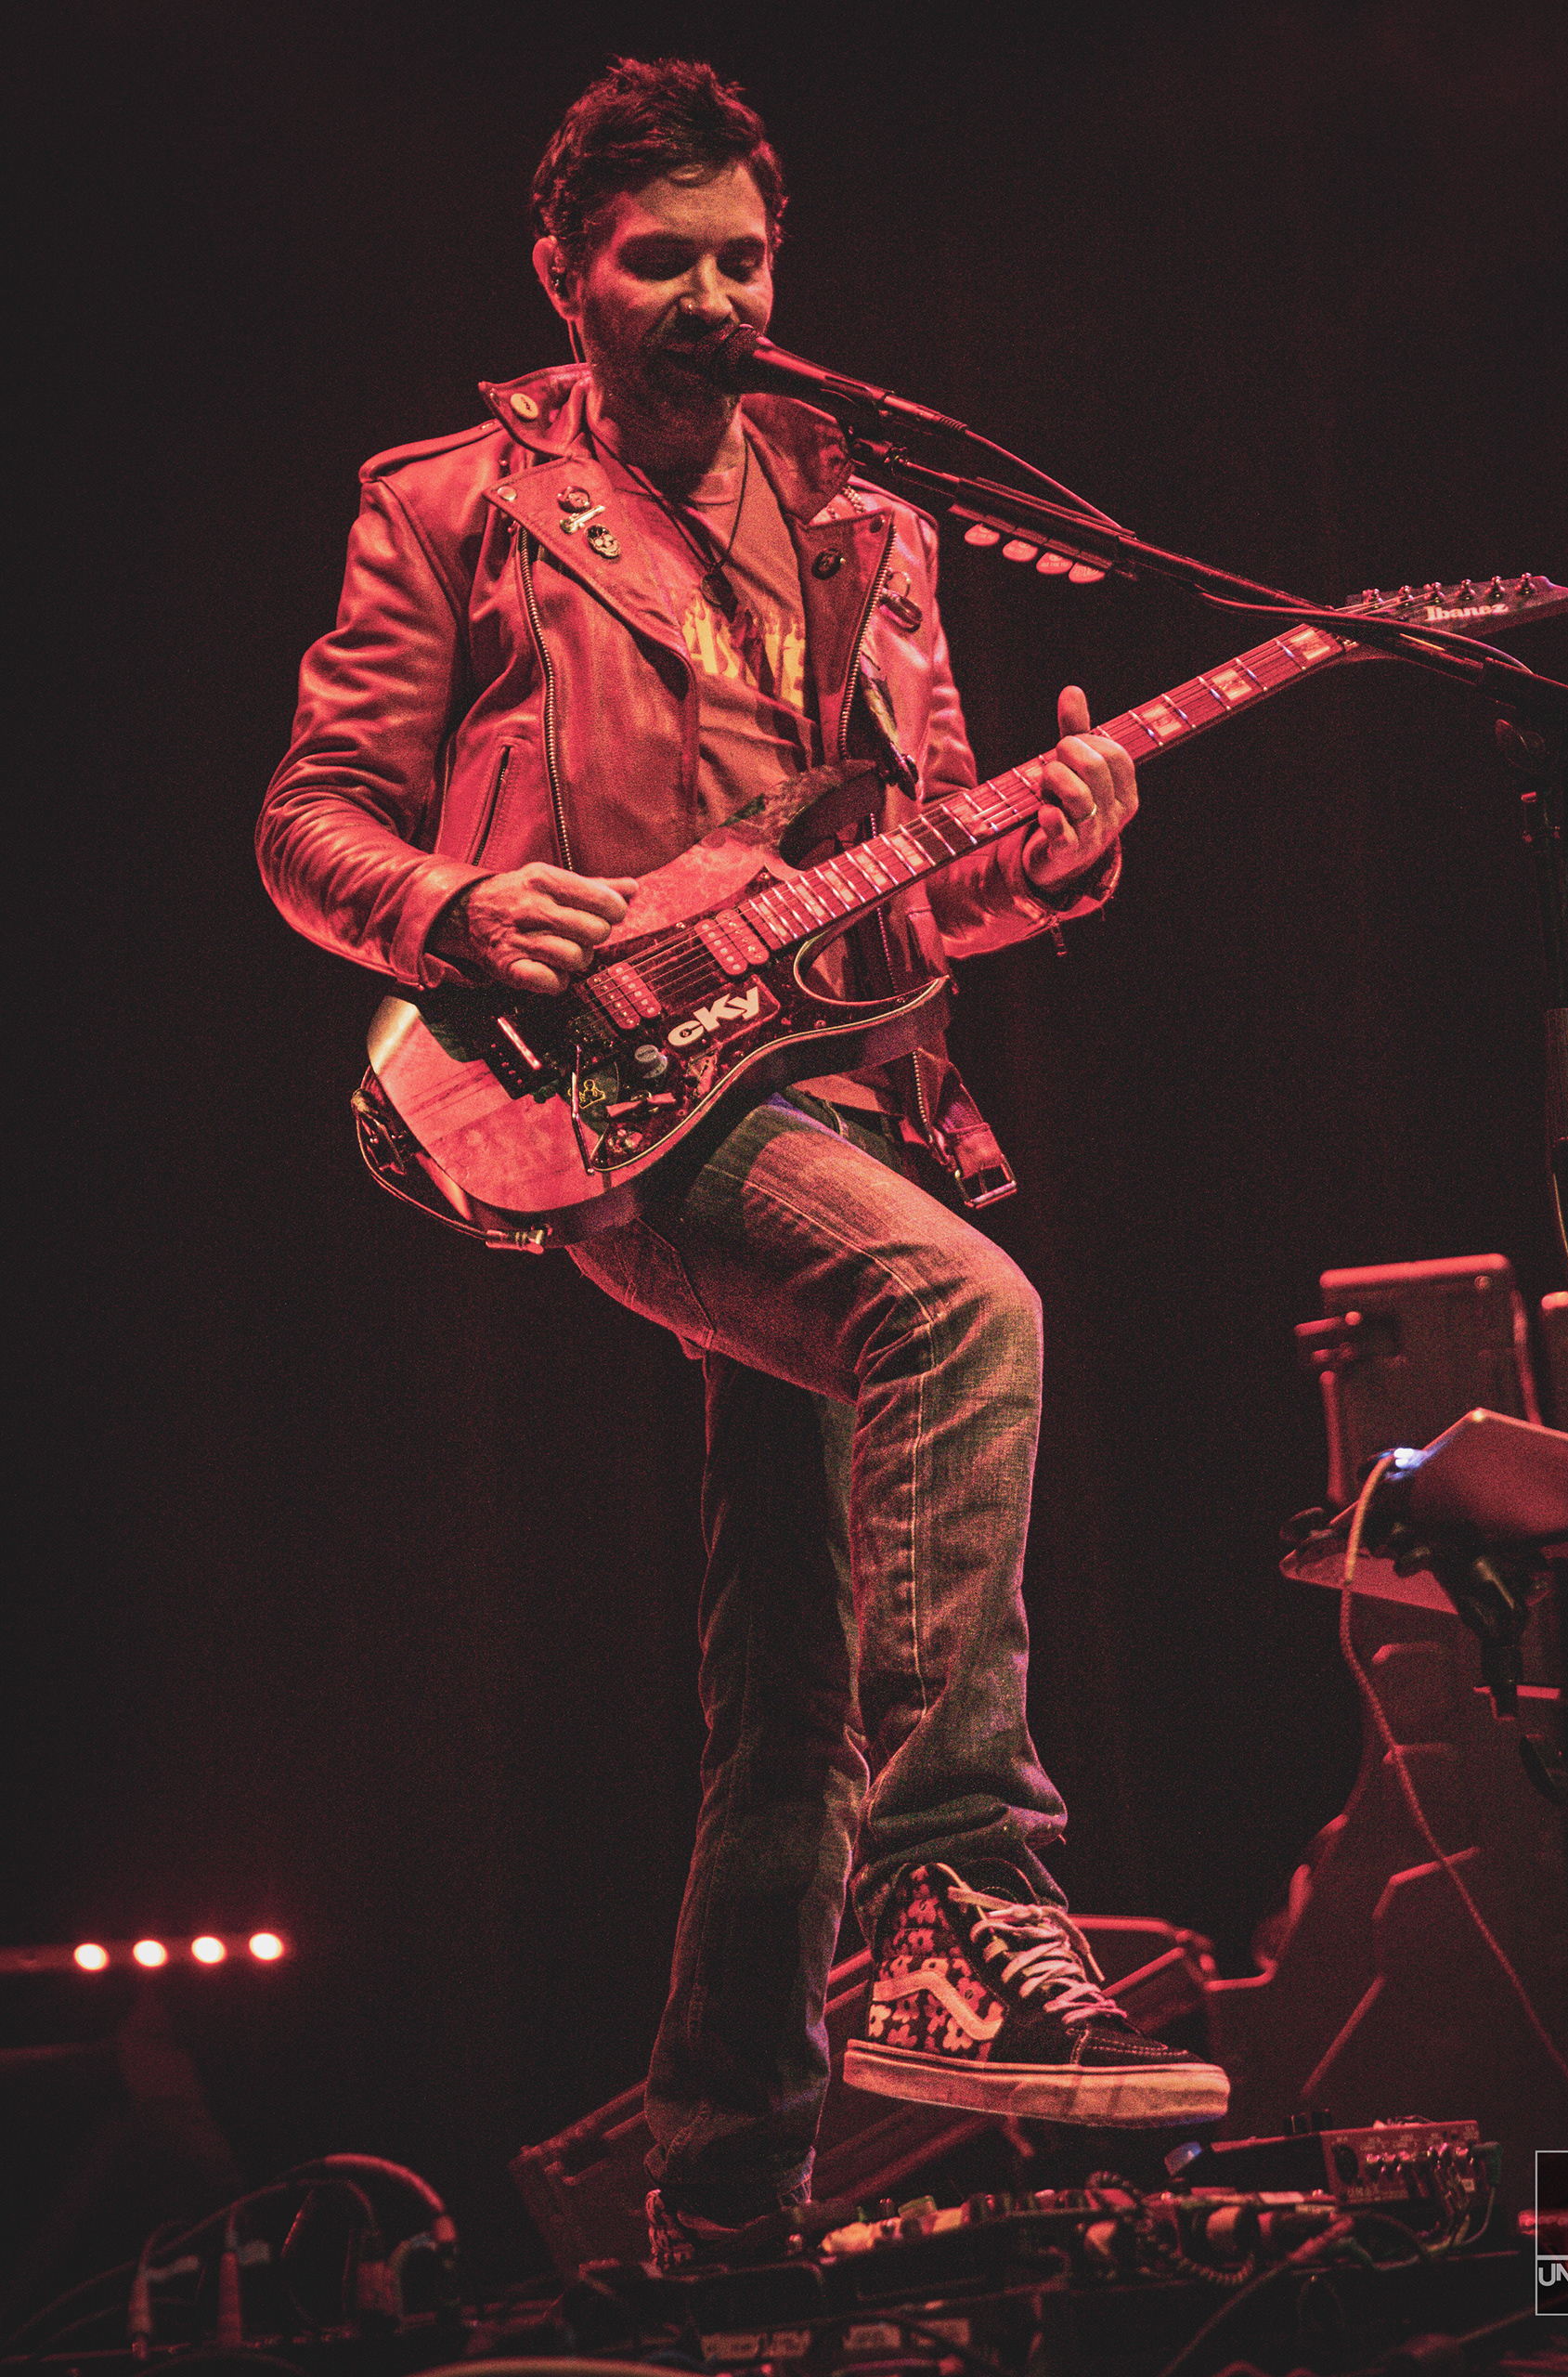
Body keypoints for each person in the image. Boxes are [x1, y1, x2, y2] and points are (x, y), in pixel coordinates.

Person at [258, 56, 1227, 2266]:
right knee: (961, 1311)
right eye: (661, 259)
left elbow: (923, 870)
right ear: (564, 272)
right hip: (602, 1089)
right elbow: (307, 817)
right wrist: (450, 906)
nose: (714, 298)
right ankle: (962, 1882)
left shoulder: (871, 519)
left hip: (847, 1092)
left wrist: (1051, 852)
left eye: (745, 259)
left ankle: (720, 2200)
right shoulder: (452, 505)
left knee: (792, 1687)